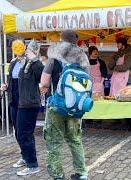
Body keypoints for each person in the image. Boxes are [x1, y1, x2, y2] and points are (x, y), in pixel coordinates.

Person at [40, 30, 89, 180]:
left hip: (57, 107)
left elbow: (44, 82)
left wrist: (44, 87)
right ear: (76, 41)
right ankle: (81, 173)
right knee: (75, 139)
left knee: (54, 142)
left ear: (62, 40)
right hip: (75, 107)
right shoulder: (83, 57)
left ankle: (58, 175)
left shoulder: (55, 55)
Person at [1, 39, 44, 176]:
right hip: (15, 101)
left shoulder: (32, 62)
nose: (17, 48)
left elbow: (42, 77)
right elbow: (13, 81)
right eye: (15, 46)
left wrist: (34, 59)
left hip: (28, 103)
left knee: (24, 133)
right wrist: (6, 87)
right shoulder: (13, 63)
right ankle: (25, 157)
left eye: (20, 46)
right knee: (18, 132)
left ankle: (32, 164)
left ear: (25, 48)